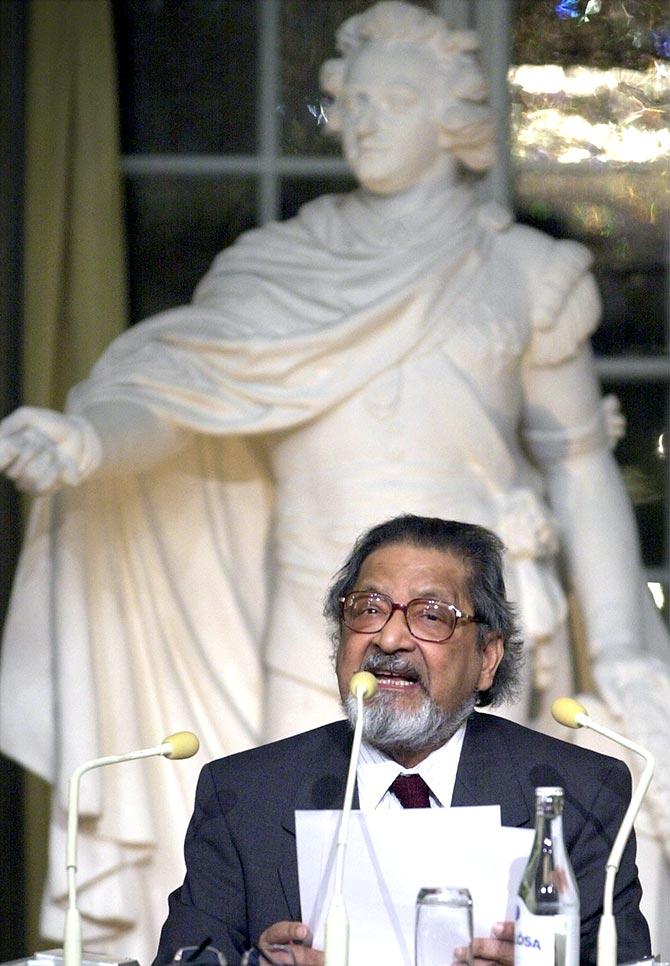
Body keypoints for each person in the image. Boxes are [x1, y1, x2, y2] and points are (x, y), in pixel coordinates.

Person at [0, 1, 668, 960]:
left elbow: (577, 458)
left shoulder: (523, 271)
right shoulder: (277, 268)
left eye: (395, 98)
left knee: (493, 854)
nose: (364, 120)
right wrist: (89, 441)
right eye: (349, 100)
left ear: (452, 116)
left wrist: (624, 645)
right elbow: (179, 390)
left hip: (464, 601)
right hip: (310, 594)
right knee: (289, 830)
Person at [153, 514, 651, 966]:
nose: (389, 639)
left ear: (487, 658)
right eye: (368, 610)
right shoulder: (244, 793)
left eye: (431, 615)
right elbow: (189, 957)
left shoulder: (584, 792)